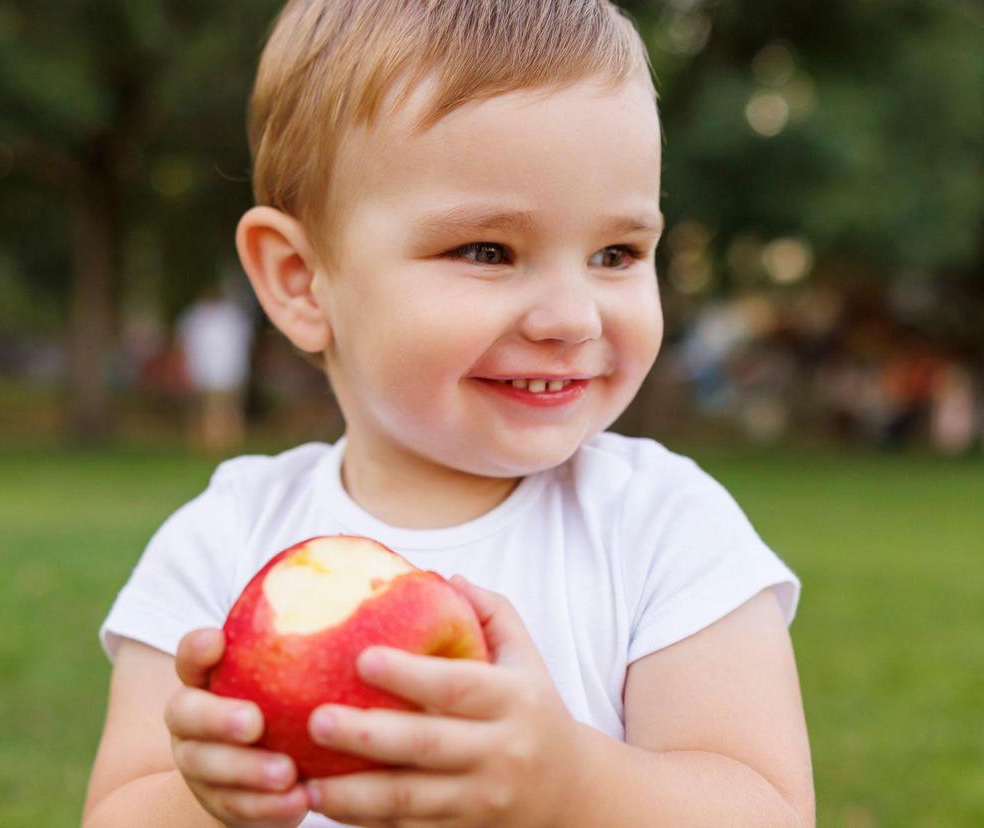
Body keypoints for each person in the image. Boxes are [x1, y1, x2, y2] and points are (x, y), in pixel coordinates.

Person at [83, 2, 814, 826]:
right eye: (487, 251)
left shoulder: (663, 529)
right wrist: (207, 792)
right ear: (300, 280)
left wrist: (571, 783)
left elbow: (767, 810)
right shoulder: (220, 545)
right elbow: (116, 811)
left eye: (616, 254)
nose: (571, 318)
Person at [176, 283, 256, 454]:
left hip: (228, 370)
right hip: (205, 371)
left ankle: (227, 442)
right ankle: (209, 443)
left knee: (228, 409)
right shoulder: (196, 317)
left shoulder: (231, 316)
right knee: (208, 409)